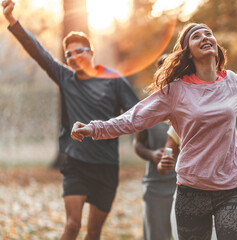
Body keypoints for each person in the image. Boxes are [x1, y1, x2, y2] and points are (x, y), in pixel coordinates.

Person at [71, 23, 237, 240]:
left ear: (215, 44)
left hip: (232, 187)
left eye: (208, 33)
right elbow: (133, 119)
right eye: (196, 36)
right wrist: (93, 129)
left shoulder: (233, 82)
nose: (204, 37)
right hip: (191, 189)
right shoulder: (174, 91)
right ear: (188, 51)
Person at [2, 1, 139, 239]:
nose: (74, 57)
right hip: (76, 163)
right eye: (69, 54)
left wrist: (149, 146)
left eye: (79, 51)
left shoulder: (114, 80)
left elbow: (137, 114)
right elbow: (38, 52)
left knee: (94, 231)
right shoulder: (66, 78)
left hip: (107, 165)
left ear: (91, 52)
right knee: (72, 225)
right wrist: (12, 21)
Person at [133, 54, 177, 240]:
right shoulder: (147, 109)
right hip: (156, 186)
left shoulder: (191, 106)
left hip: (186, 185)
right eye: (164, 70)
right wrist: (152, 154)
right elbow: (137, 144)